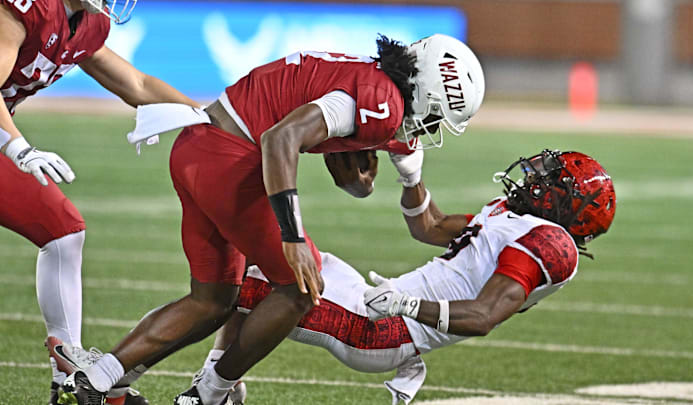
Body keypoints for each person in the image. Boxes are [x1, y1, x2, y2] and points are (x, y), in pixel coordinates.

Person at [59, 33, 486, 405]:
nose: (432, 127)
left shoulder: (381, 95)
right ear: (429, 91)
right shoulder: (382, 102)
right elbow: (280, 138)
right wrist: (292, 234)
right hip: (230, 158)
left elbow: (417, 218)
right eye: (437, 114)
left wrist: (491, 224)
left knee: (211, 301)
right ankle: (210, 394)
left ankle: (97, 380)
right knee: (301, 287)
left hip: (198, 146)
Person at [191, 149, 616, 405]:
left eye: (550, 182)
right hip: (380, 304)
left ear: (569, 206)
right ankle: (218, 381)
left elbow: (484, 316)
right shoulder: (512, 216)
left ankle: (202, 389)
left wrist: (406, 305)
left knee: (234, 285)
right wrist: (411, 174)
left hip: (383, 329)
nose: (535, 181)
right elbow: (429, 226)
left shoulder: (550, 243)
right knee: (256, 255)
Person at [0, 0, 199, 403]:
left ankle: (70, 376)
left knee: (62, 231)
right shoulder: (24, 9)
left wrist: (208, 119)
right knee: (61, 229)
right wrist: (19, 148)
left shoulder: (85, 24)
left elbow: (138, 86)